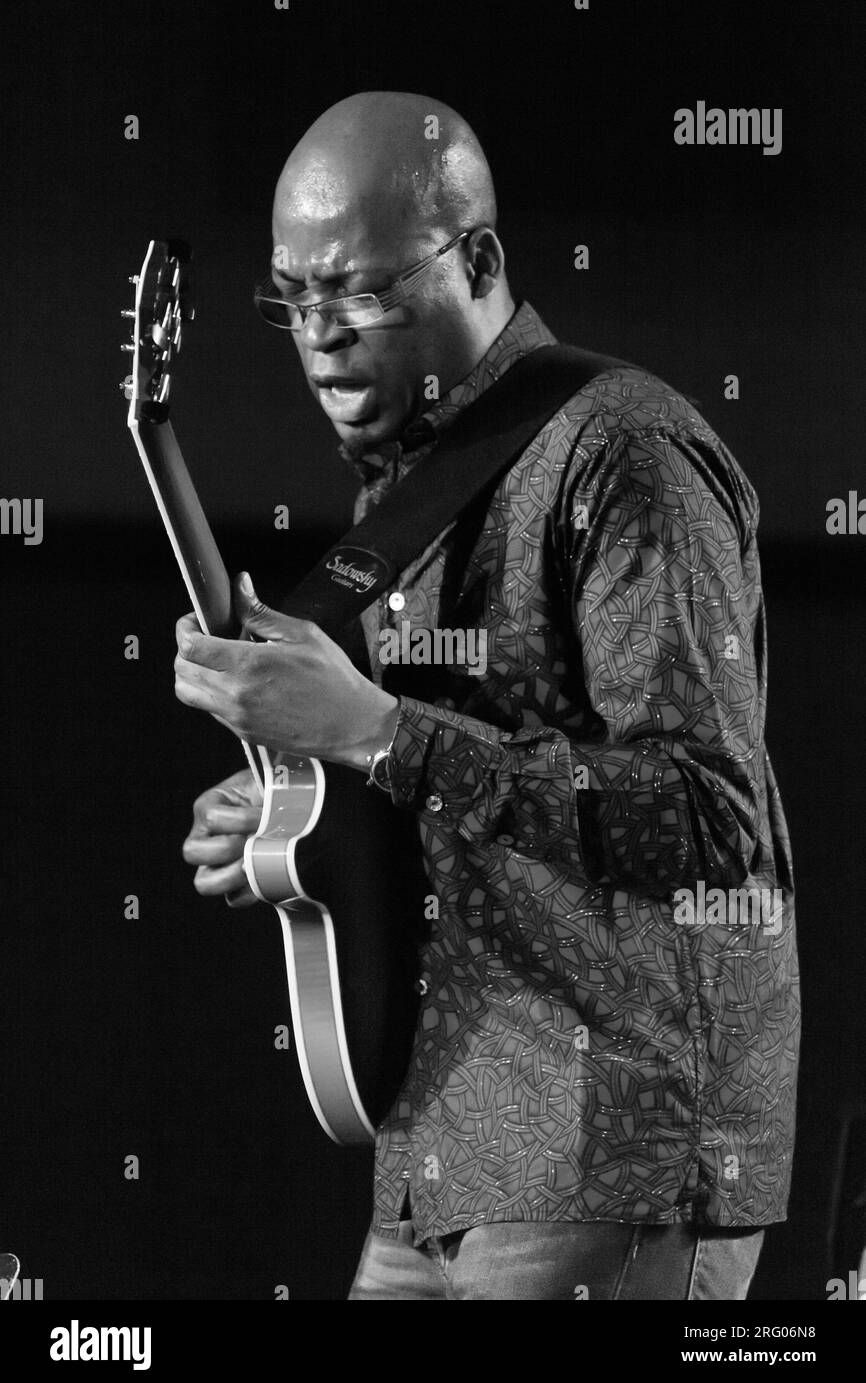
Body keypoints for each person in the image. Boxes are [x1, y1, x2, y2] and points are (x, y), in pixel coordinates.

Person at [174, 91, 799, 1300]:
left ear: (478, 259)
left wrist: (372, 728)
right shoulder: (401, 497)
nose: (321, 335)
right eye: (292, 299)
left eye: (357, 290)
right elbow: (458, 787)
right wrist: (309, 800)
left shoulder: (623, 449)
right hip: (441, 1139)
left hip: (613, 1136)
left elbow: (712, 816)